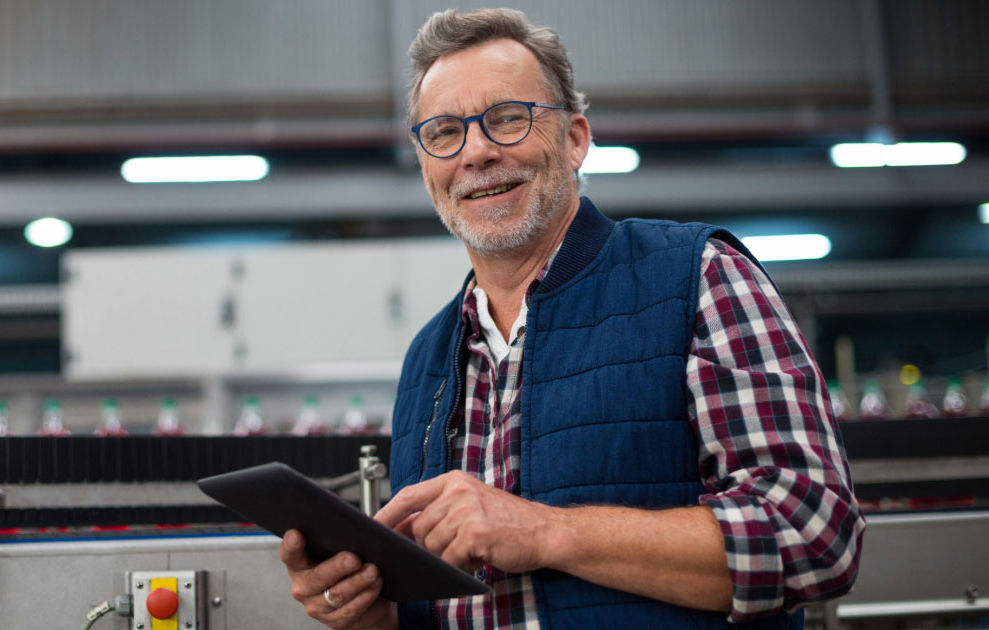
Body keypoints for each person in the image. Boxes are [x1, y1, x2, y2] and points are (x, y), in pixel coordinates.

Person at [280, 8, 864, 629]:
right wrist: (376, 613)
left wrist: (547, 532)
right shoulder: (428, 359)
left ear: (576, 138)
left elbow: (815, 533)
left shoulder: (698, 278)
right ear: (428, 167)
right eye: (445, 132)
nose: (475, 152)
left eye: (507, 120)